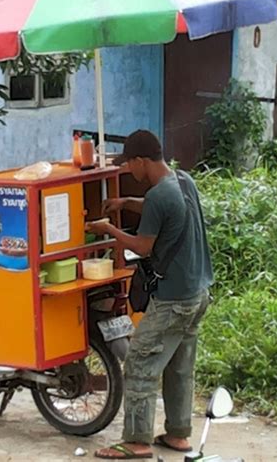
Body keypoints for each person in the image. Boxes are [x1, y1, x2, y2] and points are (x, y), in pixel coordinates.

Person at [87, 130, 213, 460]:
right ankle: (177, 434)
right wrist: (126, 203)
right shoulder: (182, 180)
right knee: (179, 365)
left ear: (142, 160)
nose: (128, 170)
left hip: (174, 299)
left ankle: (137, 441)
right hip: (198, 293)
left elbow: (143, 246)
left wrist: (108, 230)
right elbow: (164, 210)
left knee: (140, 360)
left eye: (129, 164)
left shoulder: (160, 195)